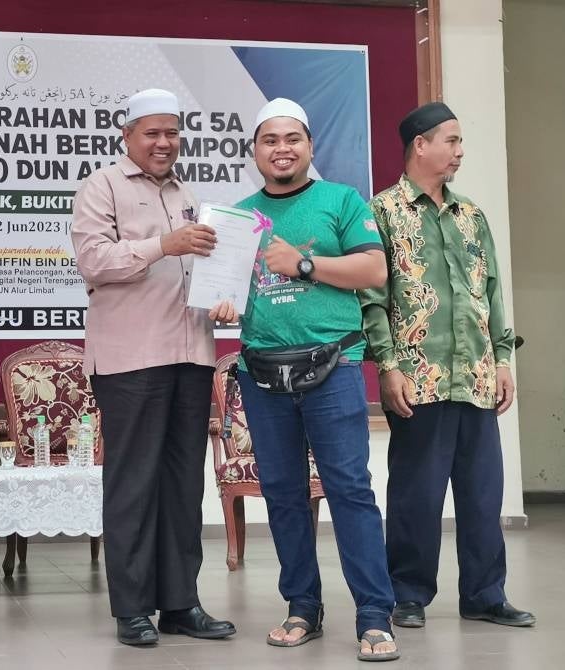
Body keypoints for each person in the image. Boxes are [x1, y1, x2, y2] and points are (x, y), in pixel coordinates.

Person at [233, 98, 399, 661]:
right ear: (254, 151)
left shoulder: (341, 201)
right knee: (282, 496)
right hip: (262, 374)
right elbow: (225, 291)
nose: (282, 149)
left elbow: (374, 269)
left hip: (333, 368)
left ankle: (375, 616)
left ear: (310, 146)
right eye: (269, 140)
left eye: (292, 139)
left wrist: (304, 264)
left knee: (350, 491)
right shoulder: (238, 217)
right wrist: (219, 306)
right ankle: (302, 606)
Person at [71, 88, 236, 646]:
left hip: (191, 353)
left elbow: (200, 270)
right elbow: (94, 261)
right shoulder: (103, 186)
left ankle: (181, 603)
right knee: (134, 483)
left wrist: (224, 291)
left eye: (172, 132)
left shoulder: (188, 192)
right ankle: (133, 608)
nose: (164, 143)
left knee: (183, 484)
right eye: (152, 133)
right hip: (131, 359)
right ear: (128, 136)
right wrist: (163, 244)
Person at [360, 101, 535, 629]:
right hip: (420, 378)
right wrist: (387, 365)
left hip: (477, 375)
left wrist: (503, 359)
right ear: (421, 144)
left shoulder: (471, 216)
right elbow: (372, 297)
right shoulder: (383, 211)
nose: (460, 151)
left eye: (460, 142)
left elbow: (492, 291)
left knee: (484, 494)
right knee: (417, 492)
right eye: (452, 141)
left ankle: (485, 594)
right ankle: (408, 594)